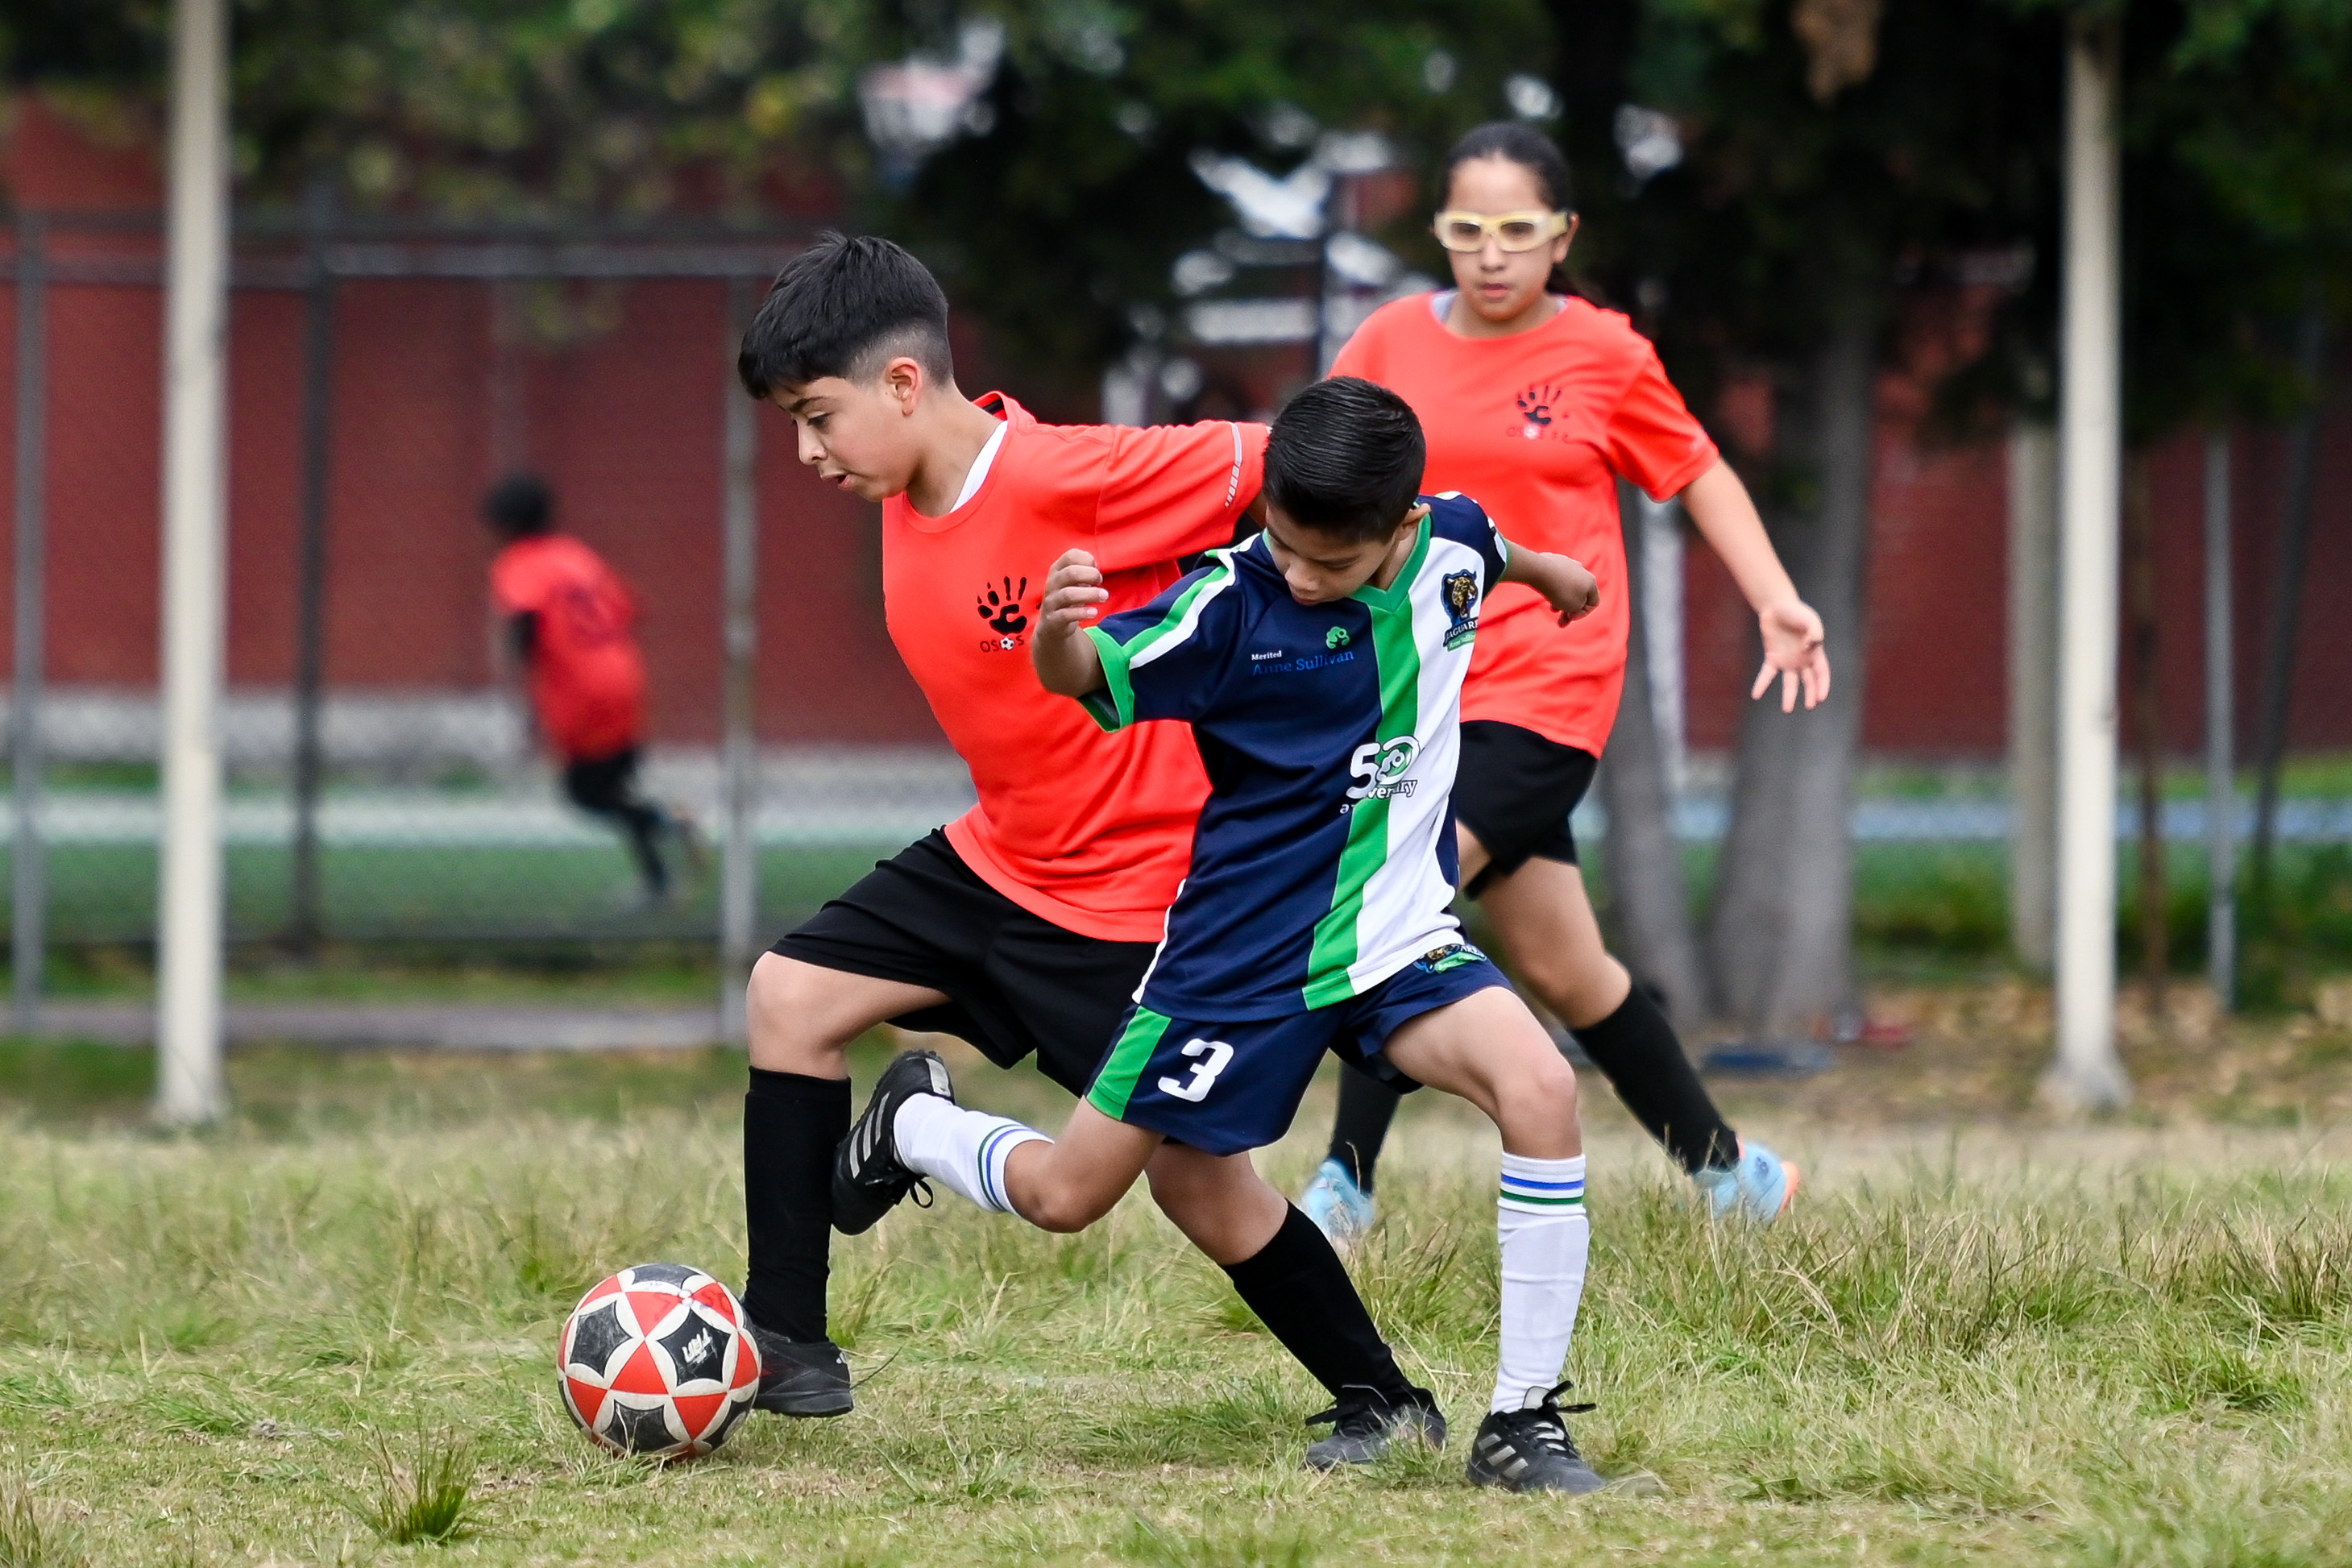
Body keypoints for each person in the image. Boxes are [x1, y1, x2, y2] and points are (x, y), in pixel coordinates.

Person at [835, 378, 1618, 1491]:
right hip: (1237, 960)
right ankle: (915, 1122)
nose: (1298, 574)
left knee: (1539, 1089)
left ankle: (1521, 1420)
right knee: (1087, 1193)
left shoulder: (1442, 536)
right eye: (1281, 542)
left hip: (1396, 937)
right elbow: (1089, 673)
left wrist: (1557, 576)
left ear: (1395, 530)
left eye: (1328, 562)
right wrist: (1057, 636)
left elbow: (1487, 542)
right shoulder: (1228, 606)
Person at [732, 233, 1434, 1466]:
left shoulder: (1079, 474)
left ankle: (1382, 1397)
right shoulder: (901, 492)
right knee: (788, 997)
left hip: (1138, 907)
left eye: (816, 416)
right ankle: (785, 1340)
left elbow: (1316, 465)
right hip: (996, 861)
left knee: (1197, 1187)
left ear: (903, 384)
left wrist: (1425, 592)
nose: (806, 451)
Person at [1296, 122, 1834, 1239]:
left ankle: (1343, 1180)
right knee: (1564, 963)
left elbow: (1698, 473)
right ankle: (1733, 1175)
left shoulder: (1602, 352)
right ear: (1438, 233)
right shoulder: (1388, 340)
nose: (1489, 255)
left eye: (1516, 231)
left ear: (1559, 235)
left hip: (1545, 690)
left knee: (1397, 889)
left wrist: (1774, 596)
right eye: (1464, 231)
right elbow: (1311, 475)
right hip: (1417, 686)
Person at [483, 473, 689, 903]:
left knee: (584, 792)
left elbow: (525, 620)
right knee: (617, 785)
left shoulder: (520, 562)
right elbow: (626, 608)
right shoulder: (575, 554)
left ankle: (663, 825)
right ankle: (659, 879)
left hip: (578, 688)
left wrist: (521, 681)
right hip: (623, 674)